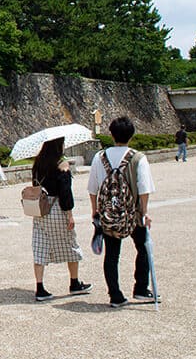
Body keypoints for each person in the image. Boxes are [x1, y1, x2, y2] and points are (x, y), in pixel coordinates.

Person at [87, 116, 157, 308]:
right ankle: (141, 288)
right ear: (131, 136)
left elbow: (92, 188)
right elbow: (144, 189)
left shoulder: (99, 157)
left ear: (111, 134)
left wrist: (95, 211)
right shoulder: (138, 158)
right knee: (143, 248)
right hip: (132, 212)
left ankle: (115, 294)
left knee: (112, 255)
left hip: (108, 213)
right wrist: (144, 212)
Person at [30, 137, 92, 302]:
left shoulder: (38, 164)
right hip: (56, 208)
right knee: (70, 243)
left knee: (40, 246)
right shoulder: (61, 164)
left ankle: (40, 287)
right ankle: (74, 282)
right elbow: (65, 192)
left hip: (40, 209)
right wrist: (69, 214)